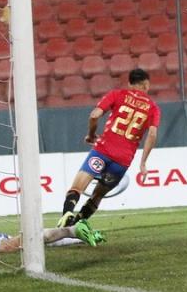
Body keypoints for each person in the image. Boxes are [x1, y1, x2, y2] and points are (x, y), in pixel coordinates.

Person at [58, 68, 160, 228]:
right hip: (122, 161)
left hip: (102, 151)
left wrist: (91, 134)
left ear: (129, 83)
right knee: (97, 196)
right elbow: (152, 134)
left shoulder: (117, 94)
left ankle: (66, 216)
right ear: (146, 84)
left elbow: (94, 115)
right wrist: (143, 163)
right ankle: (75, 227)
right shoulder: (153, 108)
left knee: (77, 188)